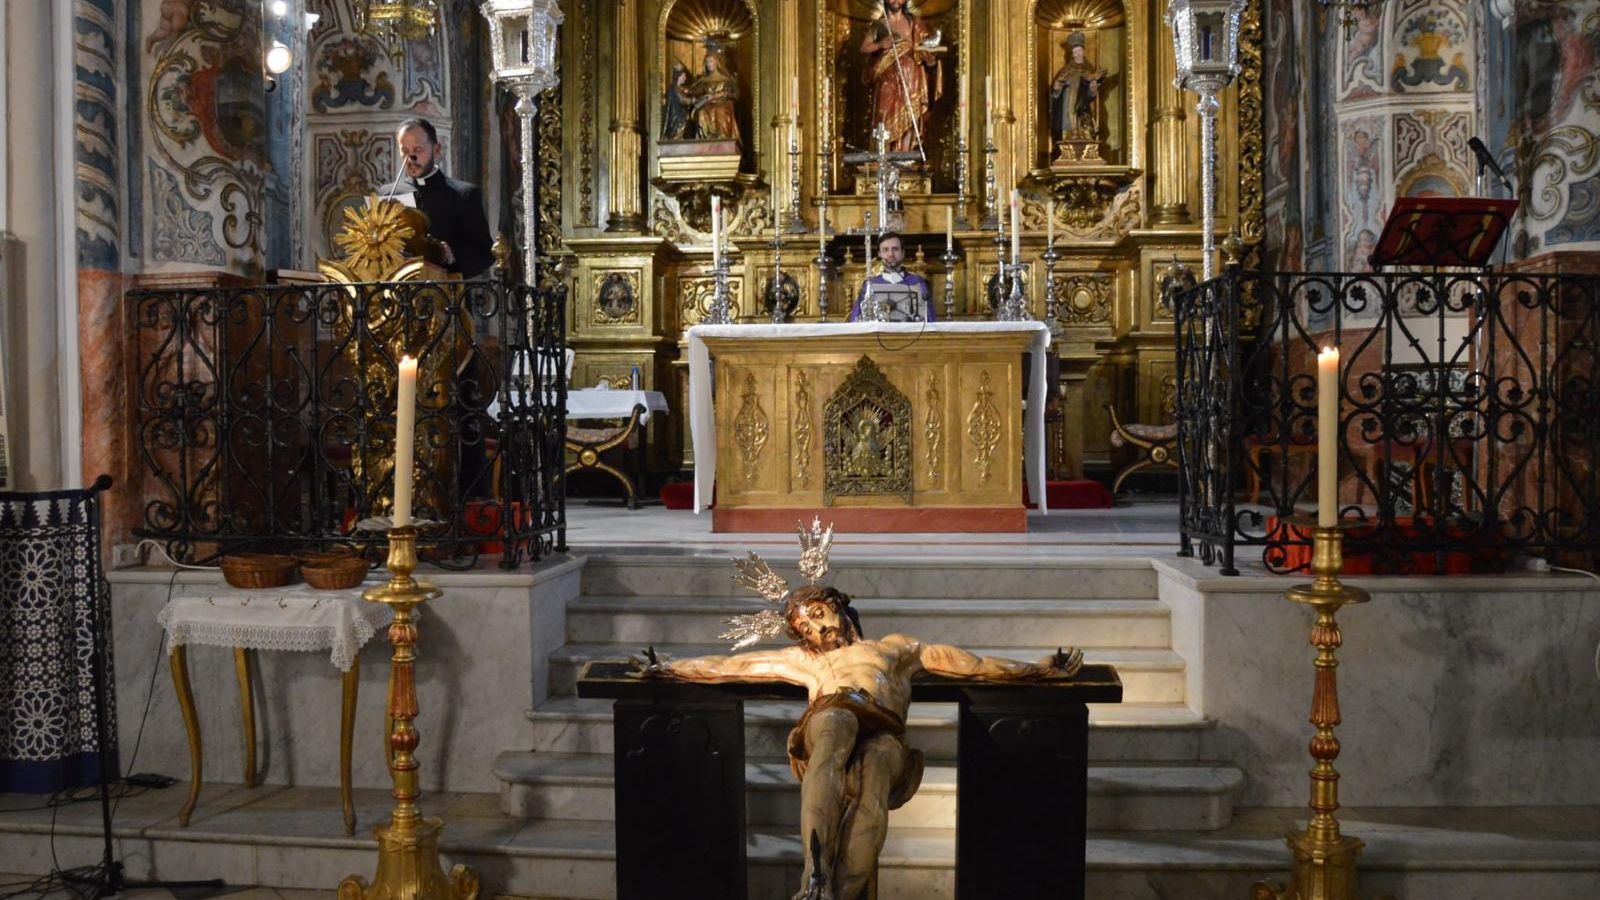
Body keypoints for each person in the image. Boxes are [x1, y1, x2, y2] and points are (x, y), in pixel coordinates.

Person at [636, 521, 1084, 900]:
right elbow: (728, 667)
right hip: (832, 719)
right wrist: (666, 668)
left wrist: (1039, 671)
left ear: (836, 605)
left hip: (885, 731)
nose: (814, 628)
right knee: (838, 721)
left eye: (816, 613)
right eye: (803, 627)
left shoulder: (897, 649)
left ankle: (830, 893)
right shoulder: (804, 662)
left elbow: (974, 664)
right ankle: (813, 869)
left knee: (876, 774)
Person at [394, 117, 493, 279]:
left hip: (447, 294)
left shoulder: (463, 194)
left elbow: (484, 253)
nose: (410, 158)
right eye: (405, 151)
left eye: (418, 150)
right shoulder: (389, 194)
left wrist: (452, 256)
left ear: (436, 149)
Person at [859, 0, 941, 154]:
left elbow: (927, 48)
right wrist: (880, 45)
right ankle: (883, 156)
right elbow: (864, 47)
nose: (896, 1)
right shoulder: (880, 25)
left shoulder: (915, 23)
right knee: (883, 113)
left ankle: (905, 155)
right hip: (887, 76)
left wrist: (928, 56)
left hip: (912, 75)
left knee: (911, 114)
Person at [848, 232, 933, 322]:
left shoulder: (917, 282)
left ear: (903, 253)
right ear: (879, 254)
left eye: (895, 249)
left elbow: (930, 319)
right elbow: (856, 320)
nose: (890, 254)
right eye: (885, 250)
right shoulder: (870, 284)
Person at [1049, 32, 1107, 144]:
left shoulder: (1089, 68)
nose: (1078, 54)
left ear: (1083, 51)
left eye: (1079, 50)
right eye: (1075, 52)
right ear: (1072, 54)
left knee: (1084, 118)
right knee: (1070, 115)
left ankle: (1085, 135)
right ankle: (1071, 135)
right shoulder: (1067, 69)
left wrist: (1093, 87)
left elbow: (1091, 94)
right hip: (1069, 100)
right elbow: (1057, 87)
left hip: (1082, 102)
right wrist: (1057, 87)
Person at [684, 46, 741, 144]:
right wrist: (683, 90)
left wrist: (720, 95)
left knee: (719, 110)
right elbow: (694, 91)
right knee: (701, 111)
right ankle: (707, 139)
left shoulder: (726, 79)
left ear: (717, 62)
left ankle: (723, 138)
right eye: (707, 62)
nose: (709, 64)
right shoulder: (703, 81)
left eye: (711, 61)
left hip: (723, 104)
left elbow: (735, 94)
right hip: (707, 104)